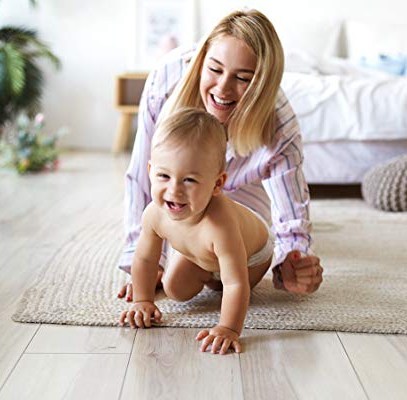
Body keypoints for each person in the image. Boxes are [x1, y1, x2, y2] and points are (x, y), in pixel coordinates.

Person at [117, 9, 323, 303]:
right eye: (215, 70)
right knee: (177, 277)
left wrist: (293, 261)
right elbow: (142, 175)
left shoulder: (279, 122)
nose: (223, 88)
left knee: (226, 241)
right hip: (184, 185)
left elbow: (290, 213)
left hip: (243, 193)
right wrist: (143, 265)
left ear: (262, 85)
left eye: (242, 78)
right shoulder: (166, 80)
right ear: (201, 62)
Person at [119, 108, 276, 354]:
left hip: (252, 257)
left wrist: (228, 328)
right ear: (150, 171)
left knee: (227, 286)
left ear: (217, 184)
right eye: (163, 176)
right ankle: (205, 270)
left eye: (189, 180)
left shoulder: (219, 225)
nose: (174, 190)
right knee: (175, 289)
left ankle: (211, 274)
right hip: (202, 253)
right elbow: (145, 258)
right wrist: (142, 300)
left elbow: (236, 283)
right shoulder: (153, 214)